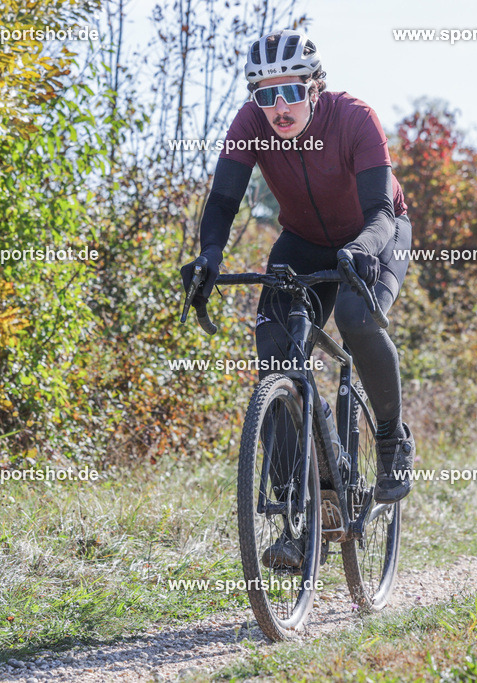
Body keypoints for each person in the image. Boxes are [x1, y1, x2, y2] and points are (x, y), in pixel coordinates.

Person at [180, 29, 415, 568]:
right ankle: (296, 509)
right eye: (265, 96)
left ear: (315, 87)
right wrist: (209, 256)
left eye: (289, 92)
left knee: (357, 316)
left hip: (374, 234)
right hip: (304, 241)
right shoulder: (249, 126)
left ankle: (390, 441)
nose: (278, 107)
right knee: (276, 350)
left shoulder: (355, 118)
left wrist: (359, 249)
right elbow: (221, 202)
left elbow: (381, 213)